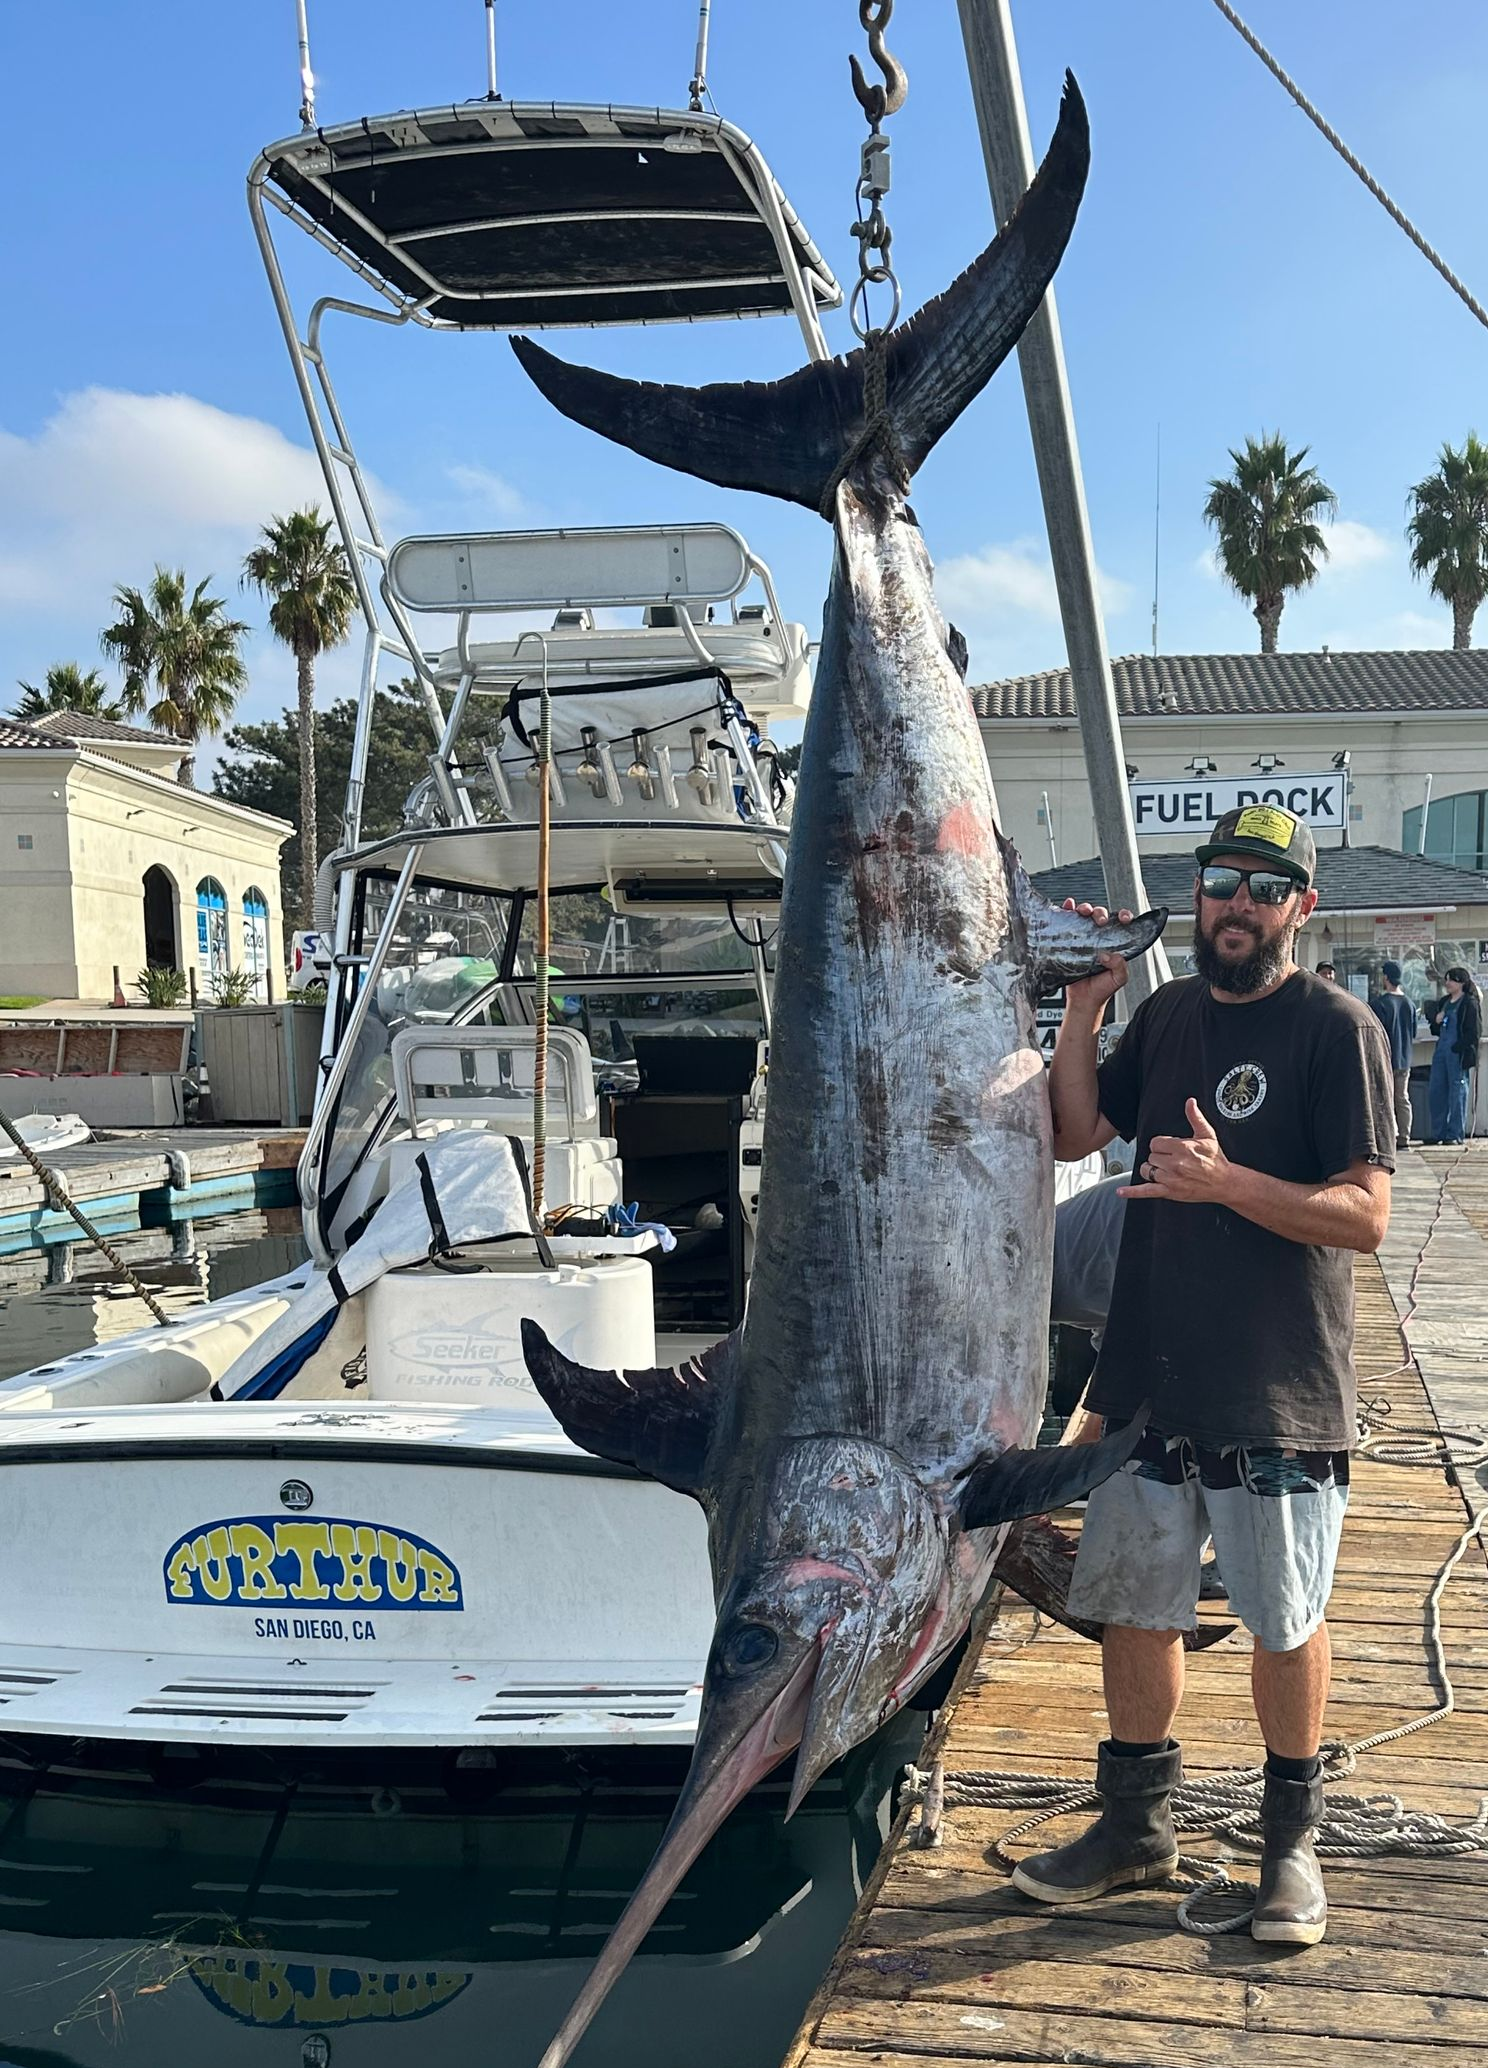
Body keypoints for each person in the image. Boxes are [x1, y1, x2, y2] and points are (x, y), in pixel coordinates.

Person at [1025, 803, 1394, 1948]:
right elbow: (1076, 1132)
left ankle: (1290, 1846)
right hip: (1145, 1378)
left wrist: (1229, 1185)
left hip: (1275, 1386)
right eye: (1221, 879)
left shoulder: (1338, 1029)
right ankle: (1136, 1825)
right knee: (1134, 1607)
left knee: (1285, 1619)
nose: (1237, 902)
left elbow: (1367, 1217)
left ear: (1301, 908)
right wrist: (1085, 1009)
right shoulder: (1171, 1012)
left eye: (1264, 886)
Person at [1428, 967, 1482, 1144]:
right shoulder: (1444, 1001)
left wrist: (1457, 1048)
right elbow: (1436, 1029)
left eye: (1451, 980)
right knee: (1437, 1092)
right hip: (1440, 1053)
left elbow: (1474, 1032)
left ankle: (1454, 1134)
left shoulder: (1469, 1003)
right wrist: (1435, 1020)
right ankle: (1439, 1133)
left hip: (1457, 1055)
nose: (1447, 983)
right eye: (1447, 979)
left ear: (1461, 982)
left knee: (1457, 1094)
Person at [1370, 961, 1418, 1150]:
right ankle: (1404, 1137)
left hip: (1385, 1059)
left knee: (1384, 1100)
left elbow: (1374, 1034)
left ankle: (1388, 1138)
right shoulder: (1410, 1003)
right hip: (1404, 1059)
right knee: (1402, 1098)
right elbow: (1413, 1032)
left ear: (1386, 978)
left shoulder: (1380, 1004)